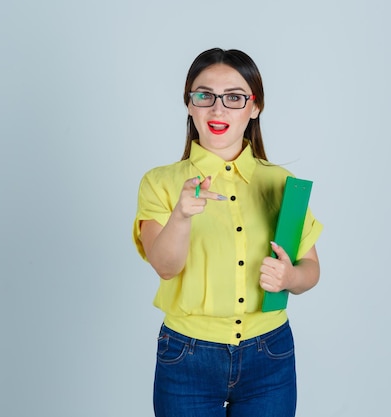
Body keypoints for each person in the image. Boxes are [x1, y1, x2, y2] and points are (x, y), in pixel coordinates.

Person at [133, 47, 323, 417]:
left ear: (254, 107)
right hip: (186, 356)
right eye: (204, 96)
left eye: (234, 97)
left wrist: (291, 276)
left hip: (269, 354)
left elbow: (311, 270)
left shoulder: (283, 183)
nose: (217, 110)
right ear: (189, 104)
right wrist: (181, 217)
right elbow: (165, 267)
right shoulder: (161, 182)